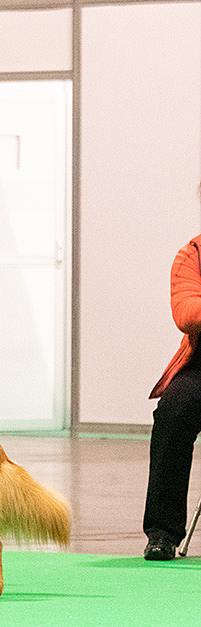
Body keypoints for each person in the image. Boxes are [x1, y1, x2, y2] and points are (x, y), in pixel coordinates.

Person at [143, 230, 201, 561]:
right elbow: (186, 312)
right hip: (200, 367)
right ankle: (162, 532)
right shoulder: (193, 254)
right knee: (173, 411)